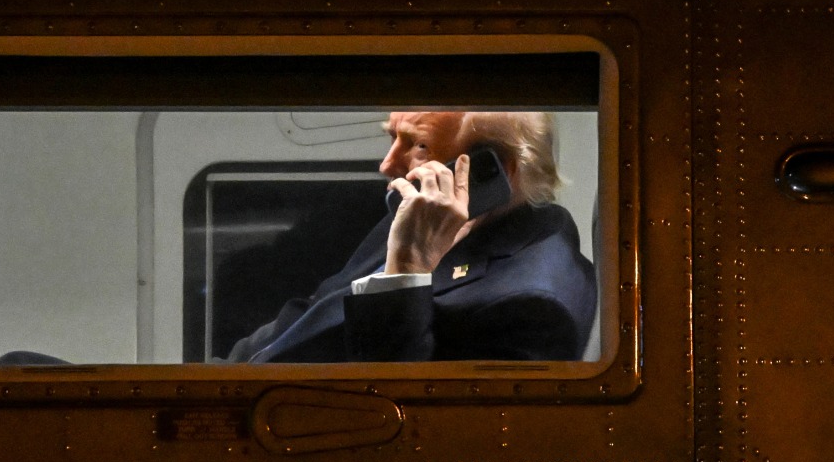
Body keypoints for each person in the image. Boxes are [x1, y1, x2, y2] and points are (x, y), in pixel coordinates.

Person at [219, 111, 597, 363]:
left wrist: (408, 271)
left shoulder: (534, 306)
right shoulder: (431, 213)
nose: (387, 164)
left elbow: (400, 411)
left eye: (418, 146)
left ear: (493, 171)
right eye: (392, 139)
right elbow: (312, 311)